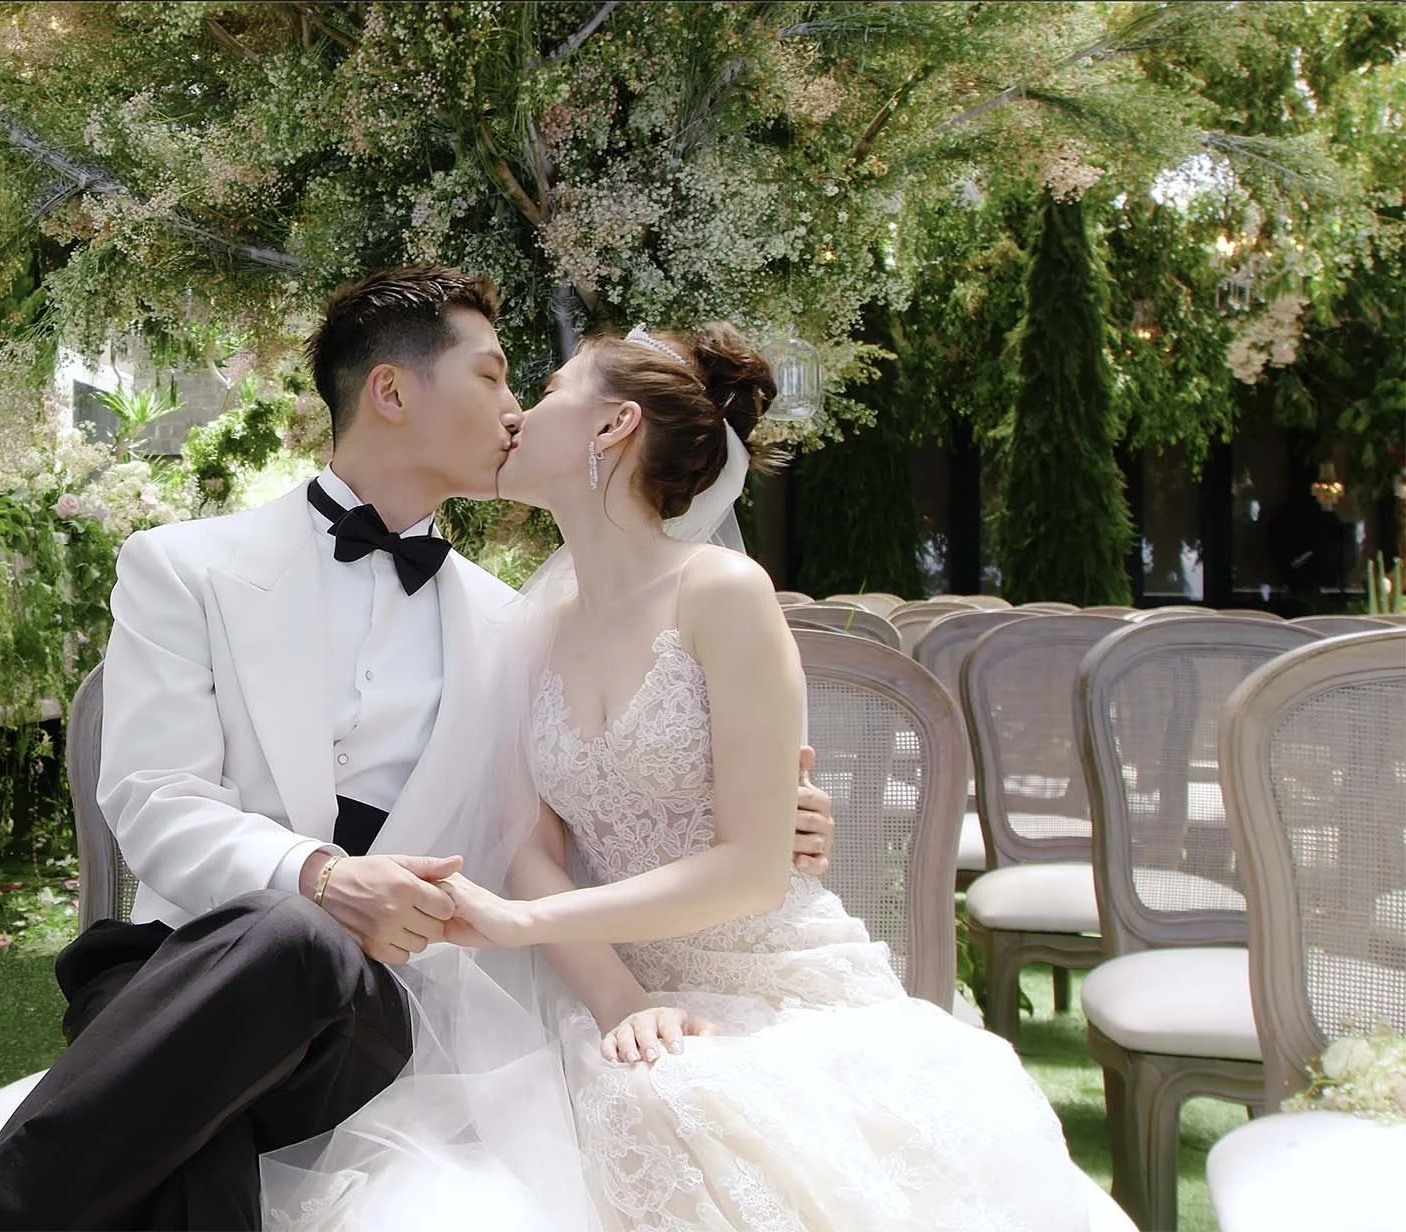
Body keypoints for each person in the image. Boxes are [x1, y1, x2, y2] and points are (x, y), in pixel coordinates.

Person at [0, 271, 837, 1231]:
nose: (515, 409)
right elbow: (154, 800)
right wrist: (319, 876)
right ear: (393, 394)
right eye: (492, 378)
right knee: (234, 1067)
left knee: (298, 959)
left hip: (382, 1015)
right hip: (178, 978)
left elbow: (559, 823)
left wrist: (767, 823)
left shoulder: (517, 626)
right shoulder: (183, 569)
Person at [272, 322, 1100, 1230]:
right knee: (599, 1118)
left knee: (712, 1118)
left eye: (546, 390)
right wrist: (621, 1000)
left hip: (770, 981)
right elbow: (529, 846)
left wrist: (526, 925)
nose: (516, 414)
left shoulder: (722, 593)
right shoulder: (530, 625)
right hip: (605, 984)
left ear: (611, 427)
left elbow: (753, 868)